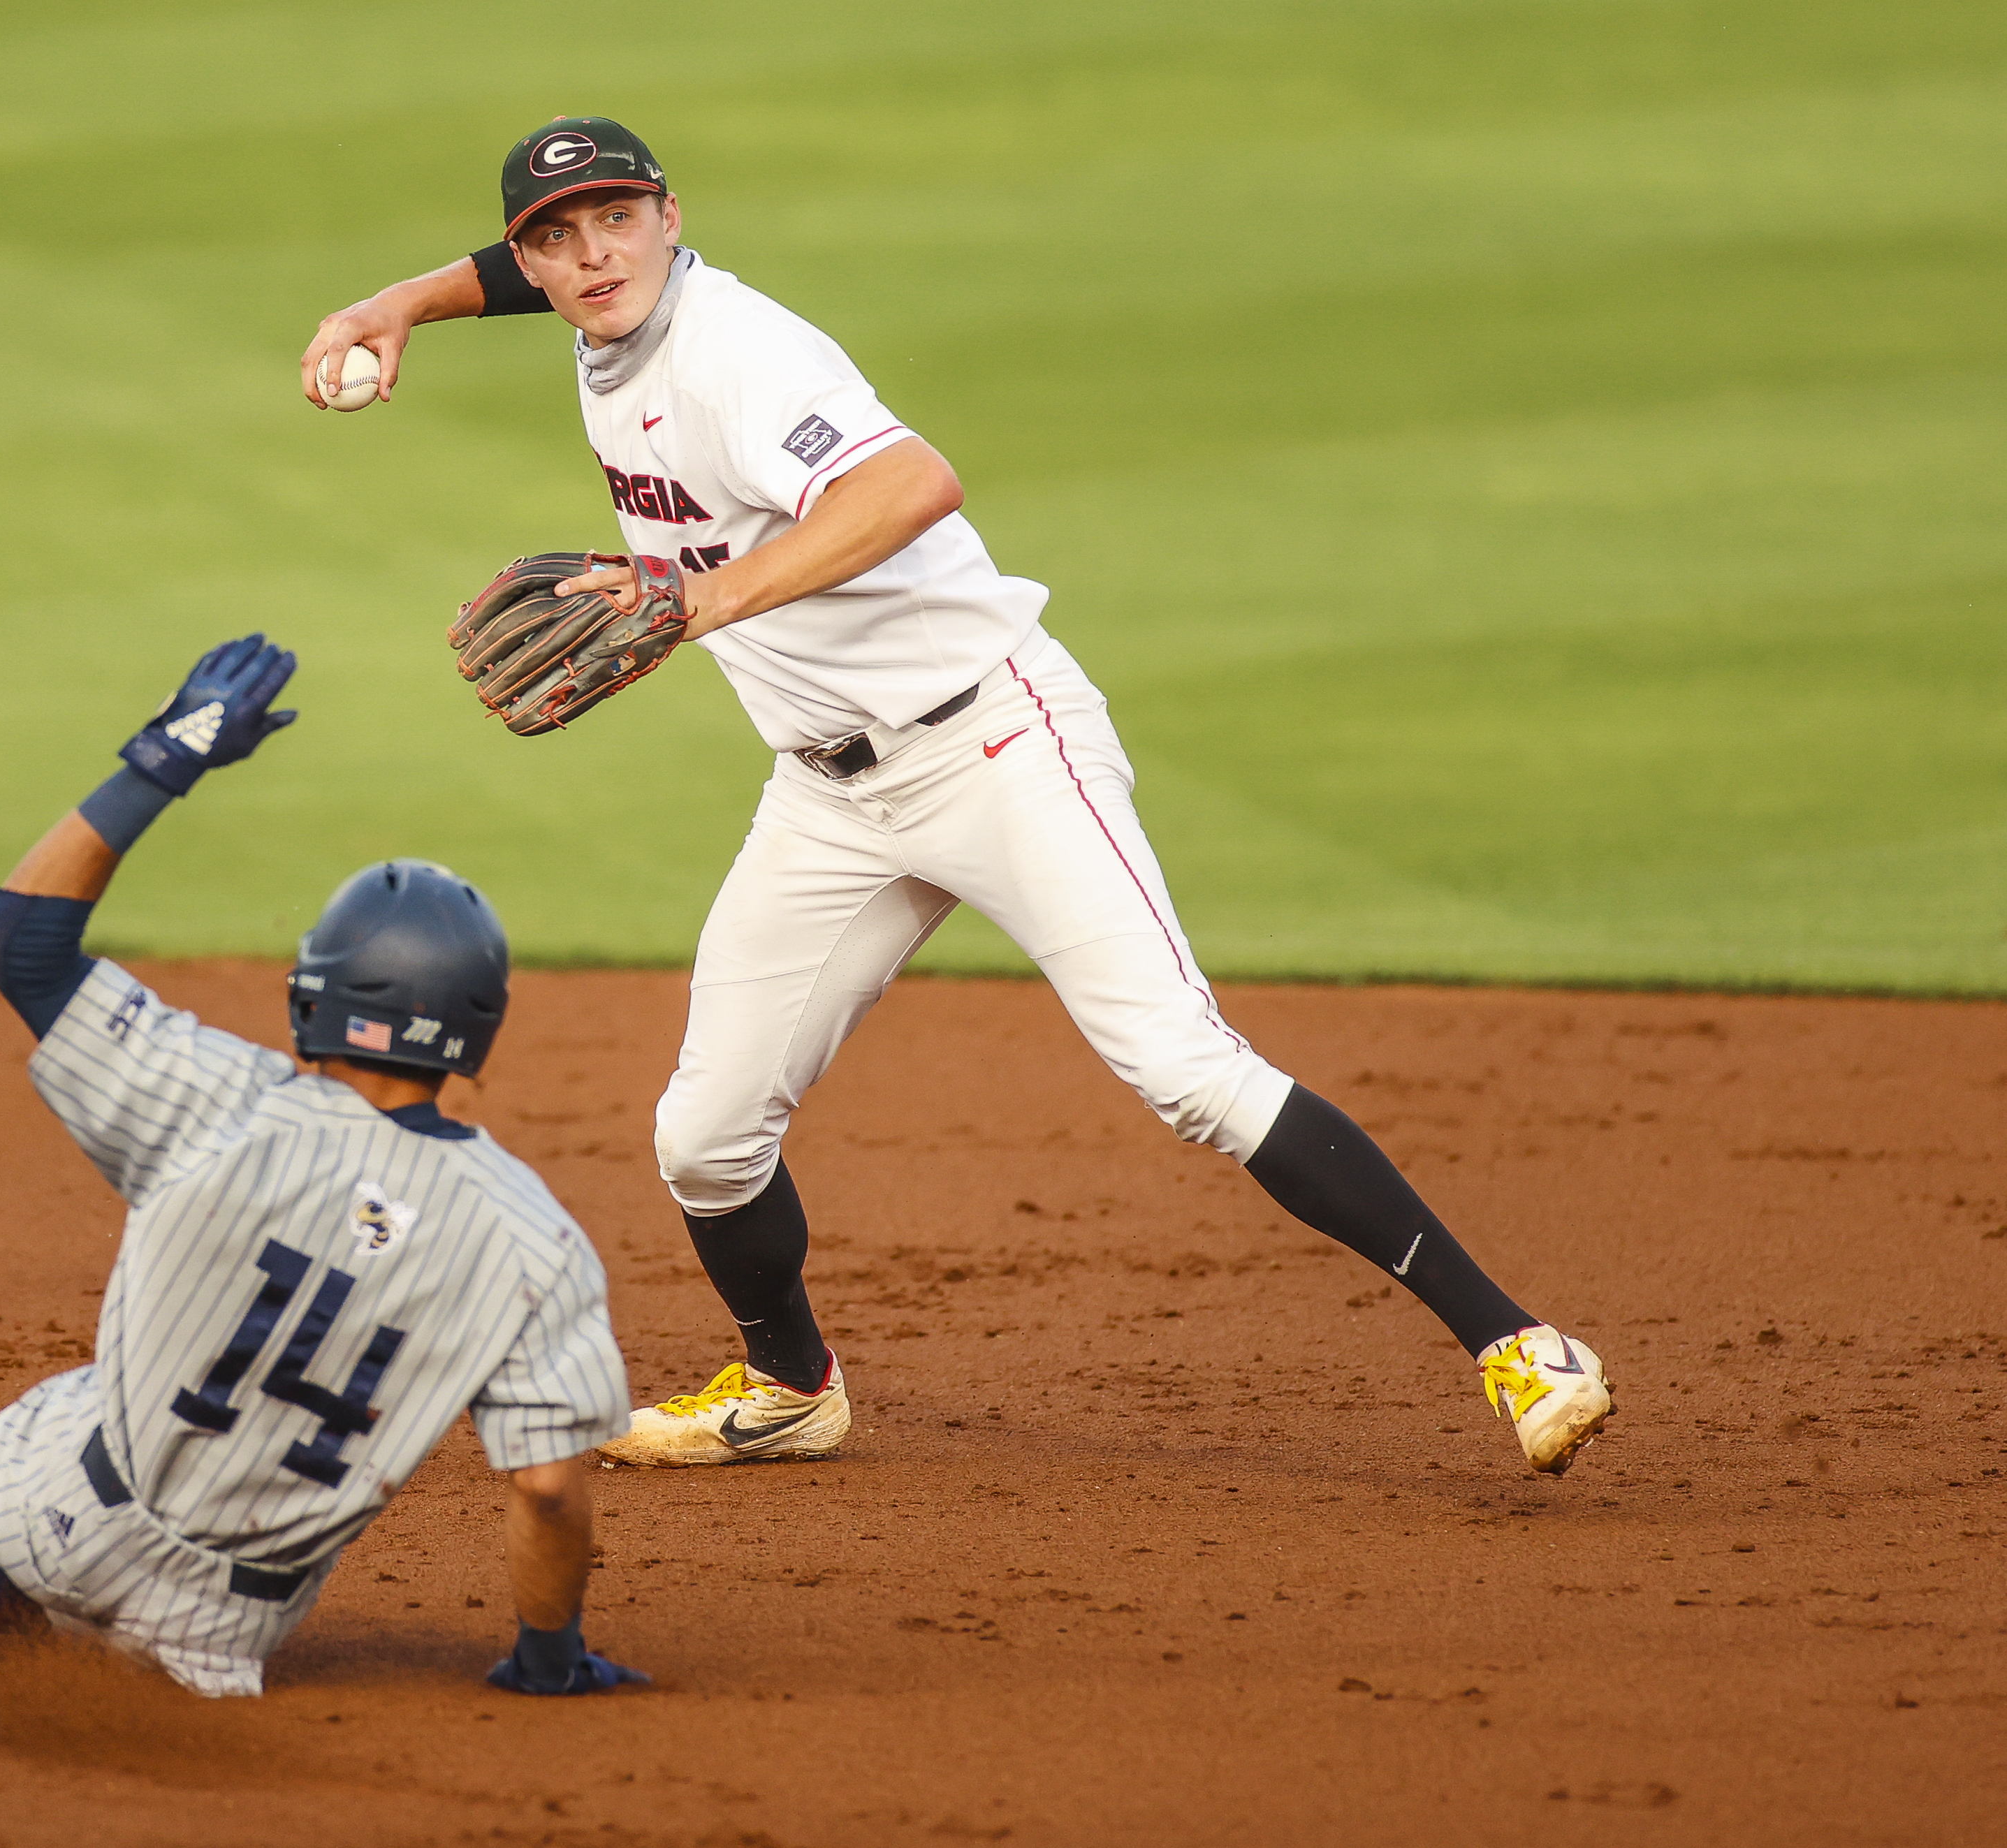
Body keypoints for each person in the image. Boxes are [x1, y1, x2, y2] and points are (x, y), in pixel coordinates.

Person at [298, 119, 1615, 1476]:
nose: (590, 257)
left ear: (670, 217)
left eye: (616, 220)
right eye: (555, 236)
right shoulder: (604, 309)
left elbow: (910, 483)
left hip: (994, 742)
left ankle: (1514, 1343)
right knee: (701, 1138)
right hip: (826, 793)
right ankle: (790, 1384)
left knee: (1181, 1069)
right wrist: (397, 303)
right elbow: (541, 280)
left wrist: (702, 599)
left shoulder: (738, 353)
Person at [0, 636, 646, 1701]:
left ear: (314, 994)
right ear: (477, 1028)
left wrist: (170, 753)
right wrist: (545, 1660)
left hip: (57, 1498)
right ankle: (24, 1613)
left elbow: (18, 939)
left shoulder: (220, 1099)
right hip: (224, 1621)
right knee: (152, 1575)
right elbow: (546, 1491)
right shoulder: (534, 1239)